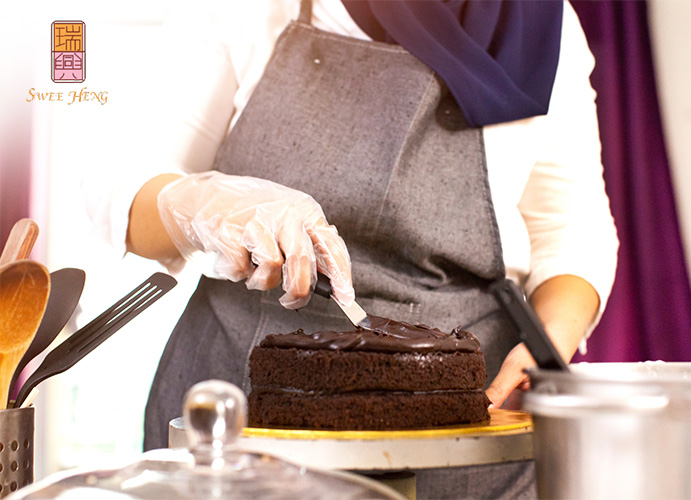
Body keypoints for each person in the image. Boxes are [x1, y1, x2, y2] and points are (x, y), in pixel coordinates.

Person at [84, 0, 617, 497]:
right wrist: (207, 204)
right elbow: (119, 193)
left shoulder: (544, 24)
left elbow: (572, 233)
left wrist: (545, 348)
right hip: (247, 427)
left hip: (465, 439)